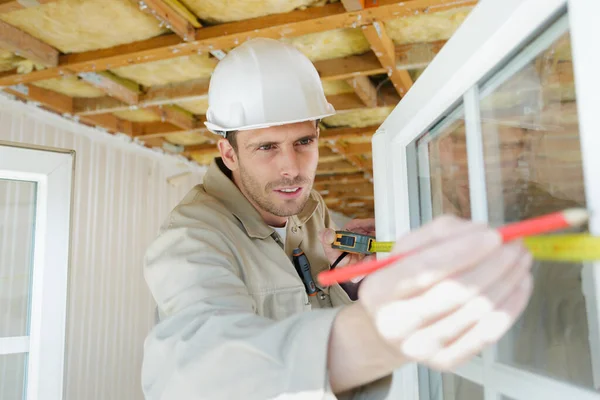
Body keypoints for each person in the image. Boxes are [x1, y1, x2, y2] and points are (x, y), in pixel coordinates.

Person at [140, 37, 534, 399]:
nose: (291, 169)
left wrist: (355, 287)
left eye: (303, 142)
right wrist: (380, 332)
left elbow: (317, 307)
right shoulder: (190, 239)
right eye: (267, 147)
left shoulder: (311, 210)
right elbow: (194, 372)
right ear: (229, 153)